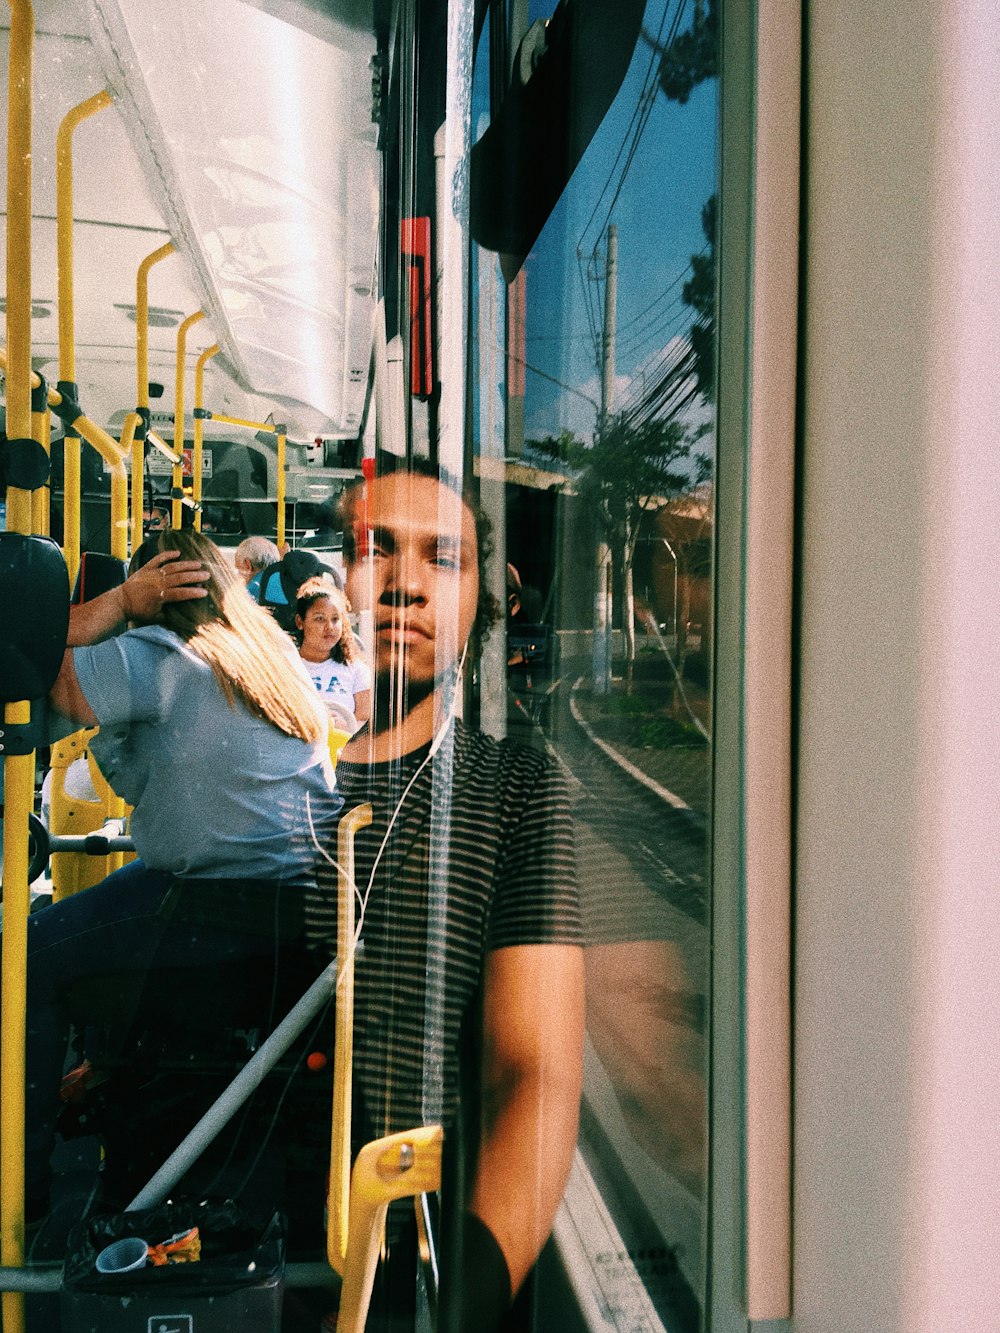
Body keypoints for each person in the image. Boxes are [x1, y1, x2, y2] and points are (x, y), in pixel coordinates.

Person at [303, 459, 584, 1332]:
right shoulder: (279, 769)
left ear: (480, 606)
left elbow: (533, 1074)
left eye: (445, 558)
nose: (406, 586)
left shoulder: (516, 792)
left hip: (398, 1260)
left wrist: (457, 1306)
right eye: (375, 549)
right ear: (336, 584)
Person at [19, 530, 340, 1220]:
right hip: (295, 908)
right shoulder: (268, 653)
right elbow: (151, 779)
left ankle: (22, 1187)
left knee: (27, 959)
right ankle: (105, 1071)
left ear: (156, 590)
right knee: (114, 899)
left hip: (212, 907)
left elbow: (39, 670)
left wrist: (116, 605)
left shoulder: (161, 656)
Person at [294, 577, 371, 732]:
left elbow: (366, 722)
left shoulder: (356, 669)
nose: (329, 627)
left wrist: (347, 728)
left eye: (335, 619)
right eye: (320, 619)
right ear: (300, 622)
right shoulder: (286, 665)